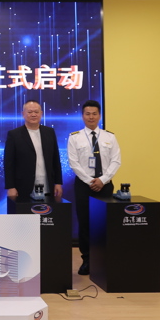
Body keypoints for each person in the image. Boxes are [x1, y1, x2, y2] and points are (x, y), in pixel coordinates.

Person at [67, 99, 121, 276]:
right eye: (87, 114)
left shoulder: (109, 137)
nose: (91, 117)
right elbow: (73, 162)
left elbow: (116, 161)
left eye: (94, 114)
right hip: (84, 186)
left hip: (105, 185)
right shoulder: (74, 137)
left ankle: (104, 259)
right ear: (82, 116)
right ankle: (87, 259)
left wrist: (103, 180)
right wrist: (90, 180)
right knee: (85, 223)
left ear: (99, 115)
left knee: (103, 223)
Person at [4, 100, 63, 201]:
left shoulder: (49, 132)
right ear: (23, 114)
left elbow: (56, 159)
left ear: (41, 113)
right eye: (30, 112)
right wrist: (10, 187)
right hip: (23, 185)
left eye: (36, 112)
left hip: (47, 183)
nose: (33, 115)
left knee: (46, 210)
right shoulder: (14, 135)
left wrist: (58, 183)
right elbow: (9, 163)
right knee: (25, 211)